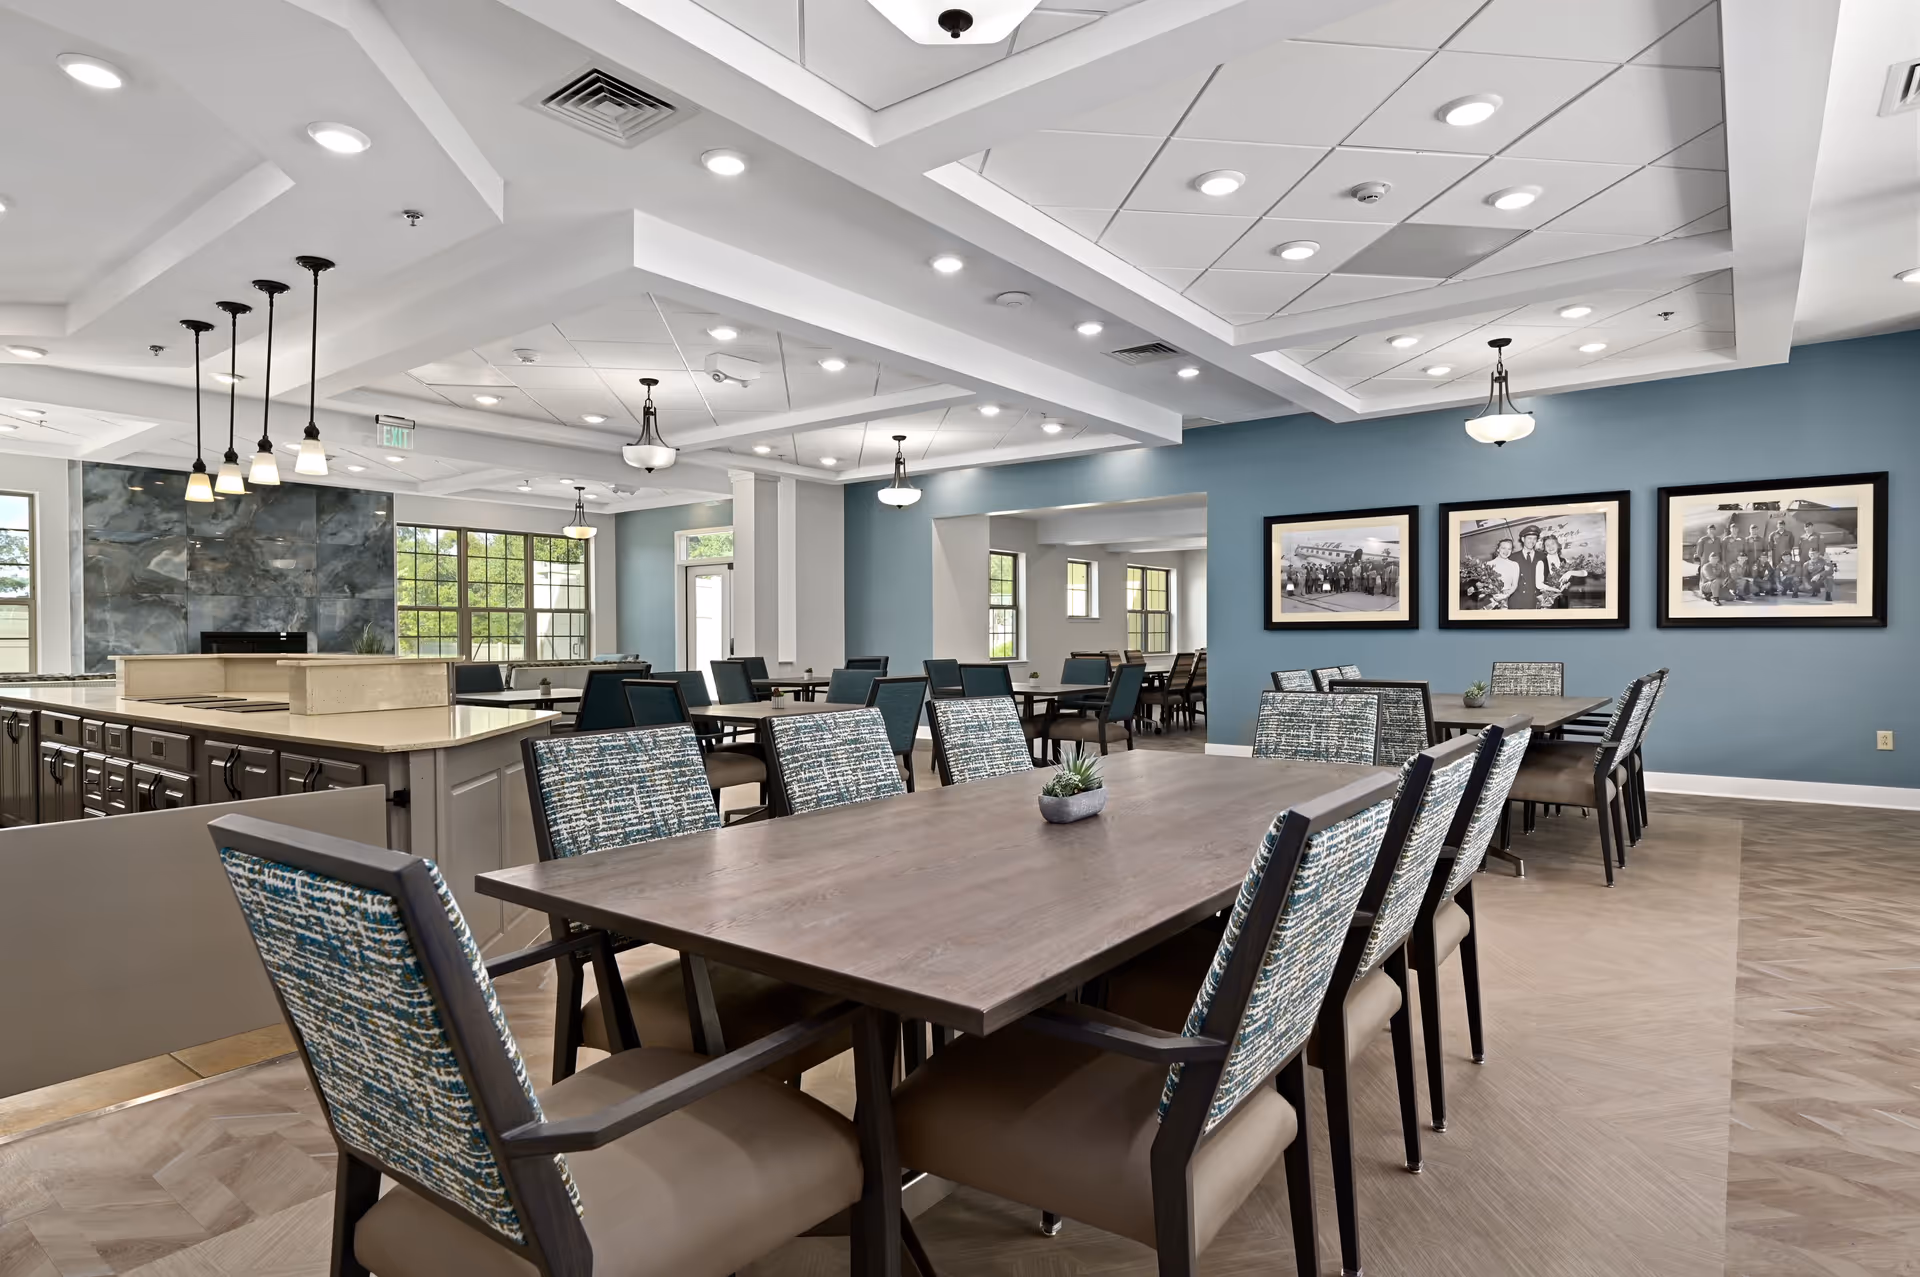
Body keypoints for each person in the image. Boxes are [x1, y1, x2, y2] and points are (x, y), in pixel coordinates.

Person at [1510, 525, 1542, 609]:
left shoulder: (1542, 557)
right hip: (1517, 602)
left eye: (1535, 539)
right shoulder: (1512, 558)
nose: (1532, 541)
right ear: (1523, 539)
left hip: (1536, 601)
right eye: (1529, 538)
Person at [1487, 537, 1519, 608]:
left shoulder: (1514, 564)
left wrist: (1505, 595)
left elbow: (1514, 585)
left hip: (1508, 599)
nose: (1506, 551)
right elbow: (1486, 585)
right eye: (1503, 548)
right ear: (1498, 549)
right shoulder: (1489, 564)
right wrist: (1494, 595)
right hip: (1491, 600)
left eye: (1509, 549)